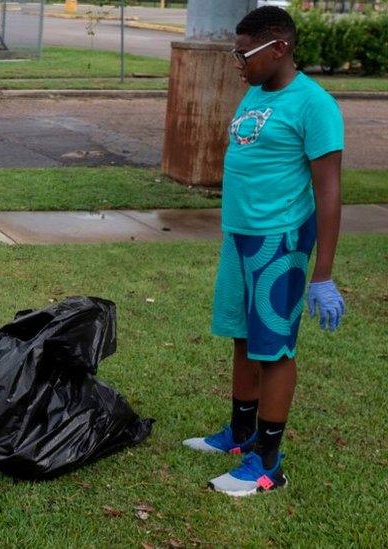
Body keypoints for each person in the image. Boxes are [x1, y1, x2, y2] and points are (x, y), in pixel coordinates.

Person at [182, 6, 346, 496]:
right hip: (239, 235)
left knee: (274, 349)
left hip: (281, 241)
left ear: (280, 47)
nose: (238, 63)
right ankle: (240, 432)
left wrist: (323, 274)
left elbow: (330, 190)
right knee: (241, 335)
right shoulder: (255, 93)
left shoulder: (314, 105)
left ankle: (268, 462)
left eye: (243, 53)